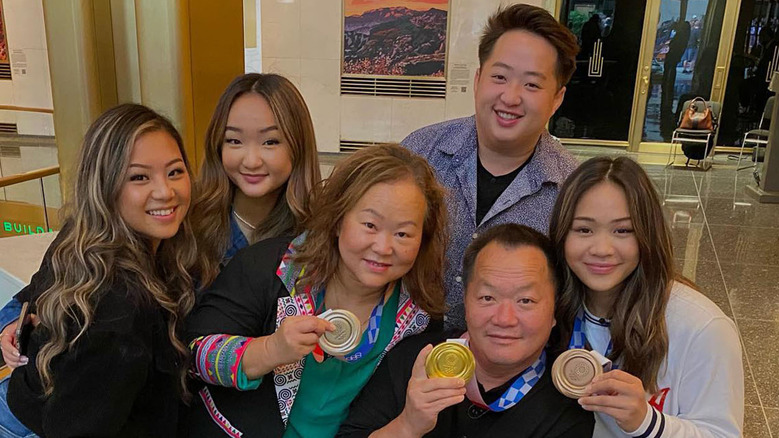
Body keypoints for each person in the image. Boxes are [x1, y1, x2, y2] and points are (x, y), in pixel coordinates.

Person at [184, 143, 448, 438]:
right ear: (338, 220)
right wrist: (270, 350)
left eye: (403, 233)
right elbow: (193, 357)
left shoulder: (419, 314)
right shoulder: (271, 268)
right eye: (370, 225)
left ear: (423, 238)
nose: (384, 247)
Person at [3, 103, 205, 437]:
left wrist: (18, 323)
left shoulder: (141, 243)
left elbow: (38, 289)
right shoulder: (118, 311)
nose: (165, 191)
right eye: (139, 177)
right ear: (104, 186)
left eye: (174, 172)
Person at [401, 4, 580, 329]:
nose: (510, 97)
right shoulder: (420, 152)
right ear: (478, 79)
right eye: (499, 77)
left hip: (509, 352)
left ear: (557, 98)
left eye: (532, 85)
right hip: (402, 345)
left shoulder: (571, 190)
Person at [337, 224, 594, 437]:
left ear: (555, 309)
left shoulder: (570, 405)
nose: (504, 319)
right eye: (487, 298)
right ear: (466, 300)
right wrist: (407, 426)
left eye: (525, 301)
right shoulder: (414, 360)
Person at [549, 156, 743, 437]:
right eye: (584, 229)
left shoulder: (702, 328)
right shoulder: (550, 308)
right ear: (561, 234)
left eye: (622, 230)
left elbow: (721, 433)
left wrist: (647, 421)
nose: (602, 249)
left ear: (648, 235)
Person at [190, 72, 321, 288]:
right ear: (217, 145)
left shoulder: (320, 232)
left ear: (298, 146)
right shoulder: (190, 223)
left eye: (270, 142)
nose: (251, 161)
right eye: (234, 141)